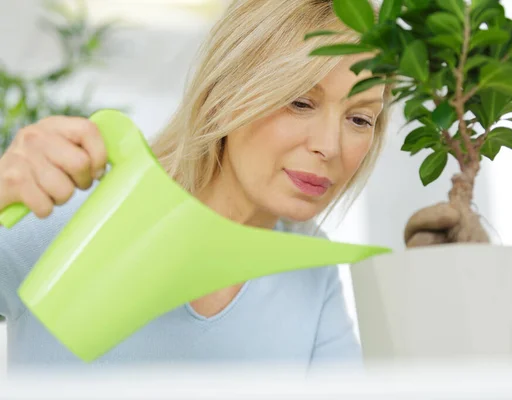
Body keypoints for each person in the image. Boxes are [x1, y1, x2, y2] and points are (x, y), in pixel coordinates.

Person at [0, 0, 453, 372]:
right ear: (224, 95)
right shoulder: (75, 207)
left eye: (359, 119)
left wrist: (459, 292)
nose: (329, 147)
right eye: (300, 102)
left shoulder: (311, 279)